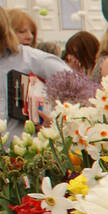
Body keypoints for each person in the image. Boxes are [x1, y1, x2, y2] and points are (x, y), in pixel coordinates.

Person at [1, 7, 71, 137]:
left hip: (23, 151)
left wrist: (57, 121)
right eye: (22, 32)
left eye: (31, 32)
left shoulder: (32, 59)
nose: (29, 36)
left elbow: (80, 89)